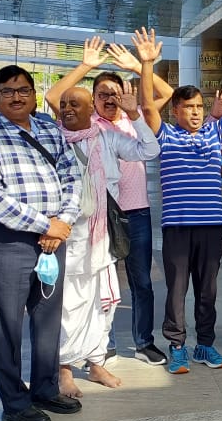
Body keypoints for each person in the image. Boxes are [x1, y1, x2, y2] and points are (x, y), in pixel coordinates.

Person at [132, 28, 222, 374]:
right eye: (188, 107)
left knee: (208, 292)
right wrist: (147, 65)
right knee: (176, 292)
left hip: (210, 228)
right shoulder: (165, 136)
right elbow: (146, 106)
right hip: (177, 229)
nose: (195, 112)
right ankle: (177, 346)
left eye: (200, 107)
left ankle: (205, 345)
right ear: (175, 110)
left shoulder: (214, 132)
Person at [47, 35, 175, 366]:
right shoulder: (86, 125)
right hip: (99, 218)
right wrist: (87, 65)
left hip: (136, 213)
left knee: (141, 282)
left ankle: (144, 342)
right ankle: (105, 344)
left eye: (114, 94)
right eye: (101, 94)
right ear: (92, 100)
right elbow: (54, 97)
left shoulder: (136, 117)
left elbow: (166, 94)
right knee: (101, 282)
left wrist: (139, 65)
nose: (108, 99)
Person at [0, 65, 83, 421]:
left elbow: (72, 176)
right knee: (7, 326)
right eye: (7, 91)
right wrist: (45, 224)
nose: (16, 97)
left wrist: (61, 223)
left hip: (53, 239)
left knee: (48, 319)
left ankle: (45, 388)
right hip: (6, 242)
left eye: (23, 90)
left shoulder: (50, 128)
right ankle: (15, 402)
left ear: (34, 94)